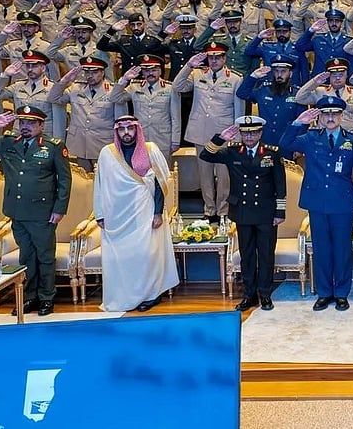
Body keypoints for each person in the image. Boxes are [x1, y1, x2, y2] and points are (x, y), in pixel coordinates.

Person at [0, 106, 72, 316]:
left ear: (41, 125)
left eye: (31, 123)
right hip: (17, 211)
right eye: (22, 122)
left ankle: (46, 298)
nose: (25, 127)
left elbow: (64, 180)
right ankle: (30, 297)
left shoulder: (53, 146)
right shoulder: (9, 142)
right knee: (26, 256)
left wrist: (60, 209)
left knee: (45, 257)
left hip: (43, 212)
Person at [279, 95, 353, 311]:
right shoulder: (310, 138)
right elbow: (284, 145)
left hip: (343, 202)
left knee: (342, 249)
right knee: (321, 249)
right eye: (326, 114)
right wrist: (298, 123)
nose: (330, 118)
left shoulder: (351, 140)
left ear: (341, 116)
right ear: (319, 117)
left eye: (334, 113)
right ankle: (324, 292)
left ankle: (342, 293)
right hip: (317, 202)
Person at [201, 115, 287, 311]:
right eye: (246, 133)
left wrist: (280, 212)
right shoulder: (232, 151)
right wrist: (220, 138)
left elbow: (280, 185)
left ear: (260, 133)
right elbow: (205, 155)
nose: (249, 137)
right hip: (242, 211)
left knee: (265, 255)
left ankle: (265, 294)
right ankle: (249, 295)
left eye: (254, 133)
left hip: (265, 212)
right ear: (240, 134)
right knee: (247, 255)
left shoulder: (271, 153)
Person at [93, 115, 179, 312]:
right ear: (116, 131)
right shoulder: (107, 153)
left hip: (145, 211)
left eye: (130, 128)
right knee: (123, 259)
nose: (126, 133)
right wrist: (100, 213)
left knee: (145, 255)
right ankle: (124, 295)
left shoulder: (150, 149)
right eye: (121, 129)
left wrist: (158, 213)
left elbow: (160, 184)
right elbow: (100, 184)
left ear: (137, 129)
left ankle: (151, 295)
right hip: (117, 216)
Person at [174, 44, 244, 222]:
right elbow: (177, 86)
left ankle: (223, 211)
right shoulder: (197, 74)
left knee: (224, 175)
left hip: (223, 134)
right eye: (211, 57)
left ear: (224, 58)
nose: (214, 61)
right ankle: (209, 209)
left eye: (217, 57)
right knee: (204, 174)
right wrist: (188, 66)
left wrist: (237, 137)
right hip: (200, 131)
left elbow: (239, 109)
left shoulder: (235, 78)